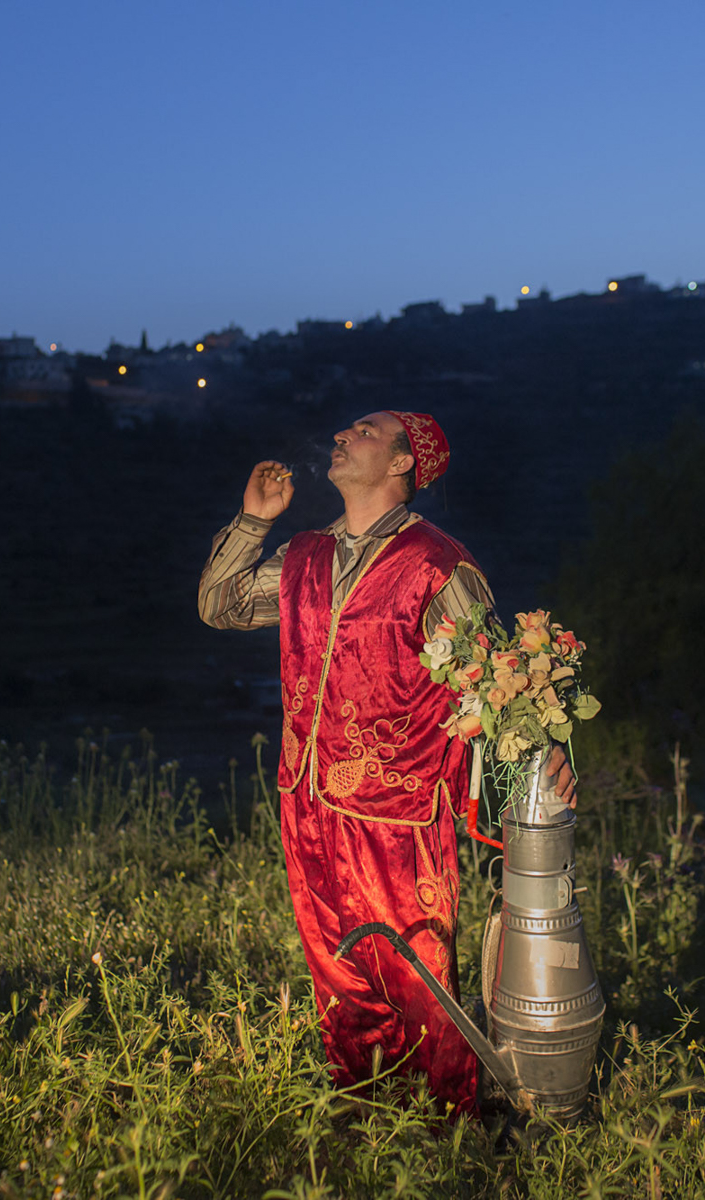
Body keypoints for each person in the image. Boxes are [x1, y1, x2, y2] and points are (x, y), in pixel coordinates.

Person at [199, 409, 574, 1117]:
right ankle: (366, 1121)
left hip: (395, 815)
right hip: (306, 799)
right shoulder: (306, 555)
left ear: (403, 463)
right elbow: (220, 606)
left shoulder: (436, 565)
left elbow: (493, 683)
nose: (341, 437)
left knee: (416, 986)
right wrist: (253, 522)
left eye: (363, 432)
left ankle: (446, 1139)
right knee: (337, 979)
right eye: (343, 432)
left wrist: (544, 760)